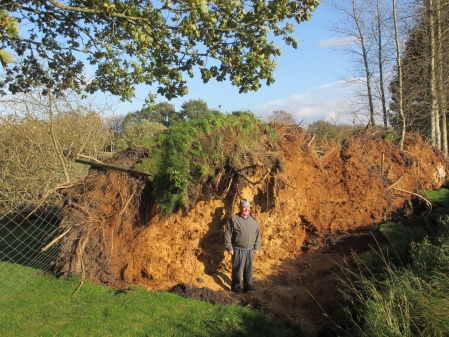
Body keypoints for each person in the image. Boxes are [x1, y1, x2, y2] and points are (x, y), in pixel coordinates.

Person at [225, 198, 261, 293]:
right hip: (238, 250)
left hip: (250, 250)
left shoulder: (253, 220)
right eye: (244, 208)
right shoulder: (234, 219)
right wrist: (229, 247)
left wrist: (256, 246)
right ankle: (236, 288)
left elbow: (257, 234)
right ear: (240, 208)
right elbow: (228, 234)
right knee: (237, 270)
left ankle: (248, 287)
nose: (247, 210)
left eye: (248, 208)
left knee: (249, 270)